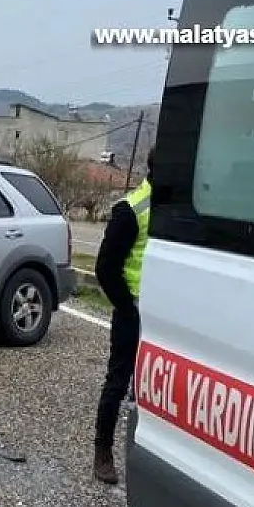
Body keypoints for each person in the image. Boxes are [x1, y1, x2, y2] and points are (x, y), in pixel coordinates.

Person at [92, 146, 154, 484]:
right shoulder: (131, 209)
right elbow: (105, 267)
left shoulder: (177, 212)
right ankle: (102, 452)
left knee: (151, 389)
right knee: (118, 382)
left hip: (164, 317)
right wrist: (127, 308)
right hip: (133, 311)